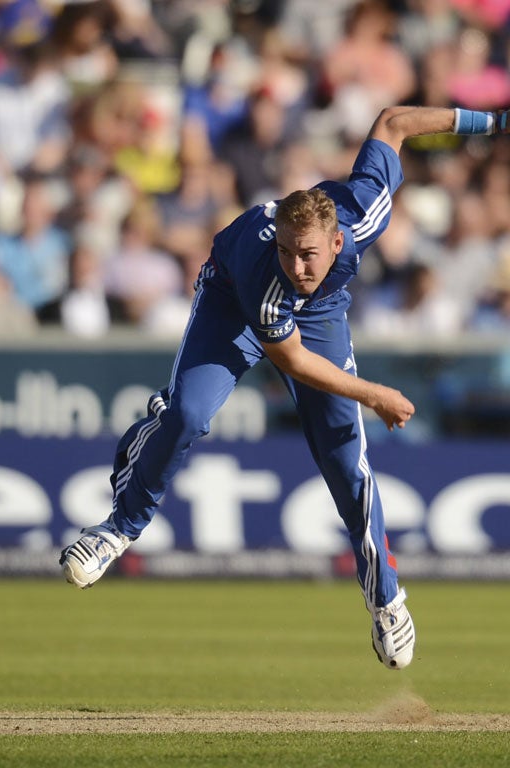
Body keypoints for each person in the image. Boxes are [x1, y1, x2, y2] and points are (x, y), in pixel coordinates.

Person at [58, 105, 510, 671]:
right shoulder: (268, 273)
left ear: (339, 242)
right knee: (188, 416)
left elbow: (394, 121)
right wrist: (373, 393)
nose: (296, 263)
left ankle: (386, 597)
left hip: (319, 317)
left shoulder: (363, 211)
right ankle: (119, 528)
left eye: (308, 253)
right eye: (288, 250)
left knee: (348, 464)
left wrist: (492, 123)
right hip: (234, 302)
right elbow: (291, 360)